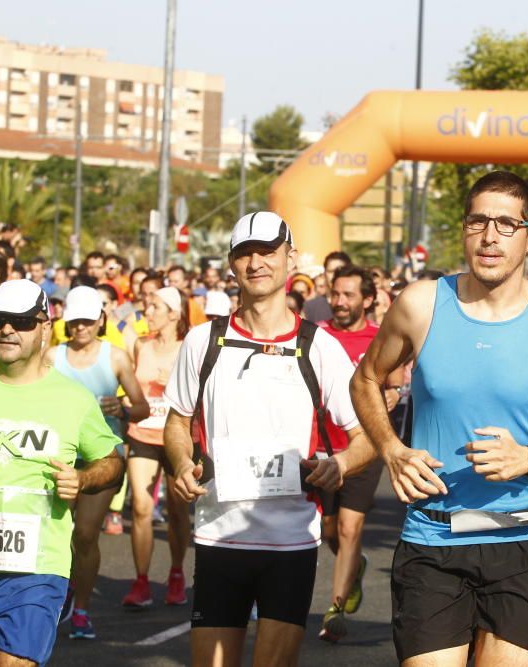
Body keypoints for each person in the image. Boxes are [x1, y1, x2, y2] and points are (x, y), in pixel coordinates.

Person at [351, 171, 528, 666]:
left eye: (506, 224)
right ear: (463, 229)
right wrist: (391, 450)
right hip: (434, 537)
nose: (491, 236)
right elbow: (366, 379)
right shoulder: (420, 304)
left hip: (527, 541)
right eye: (479, 221)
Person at [164, 211, 375, 666]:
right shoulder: (203, 342)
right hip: (220, 537)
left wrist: (338, 464)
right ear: (232, 263)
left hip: (290, 541)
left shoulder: (319, 347)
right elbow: (178, 421)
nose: (256, 262)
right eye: (245, 253)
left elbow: (367, 436)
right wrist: (181, 464)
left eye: (268, 252)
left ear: (290, 258)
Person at [0, 280, 123, 666]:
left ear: (45, 327)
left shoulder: (72, 399)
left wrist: (82, 479)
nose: (8, 330)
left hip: (36, 569)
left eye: (21, 321)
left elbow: (111, 461)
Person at [45, 286, 150, 639]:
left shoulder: (116, 357)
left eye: (87, 321)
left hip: (103, 456)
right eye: (74, 321)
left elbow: (142, 407)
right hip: (58, 455)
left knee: (86, 534)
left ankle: (82, 610)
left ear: (100, 320)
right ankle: (56, 595)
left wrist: (121, 408)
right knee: (54, 534)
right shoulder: (51, 357)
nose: (81, 327)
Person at [316, 265, 405, 642]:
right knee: (328, 529)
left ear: (367, 300)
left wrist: (387, 397)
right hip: (320, 447)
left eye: (348, 295)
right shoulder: (317, 337)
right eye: (335, 294)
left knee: (351, 527)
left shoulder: (380, 338)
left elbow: (396, 385)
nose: (339, 302)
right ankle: (356, 567)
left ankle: (334, 610)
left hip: (362, 446)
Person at [122, 286, 192, 608]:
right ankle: (141, 581)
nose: (147, 313)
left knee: (178, 511)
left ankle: (176, 573)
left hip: (177, 436)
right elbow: (129, 386)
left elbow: (201, 391)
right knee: (140, 506)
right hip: (143, 433)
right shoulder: (141, 346)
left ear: (174, 314)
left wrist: (174, 380)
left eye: (154, 308)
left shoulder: (188, 347)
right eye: (147, 307)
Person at [303, 251, 351, 322]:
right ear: (324, 274)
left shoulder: (358, 305)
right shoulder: (309, 307)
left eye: (339, 270)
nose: (335, 275)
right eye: (331, 271)